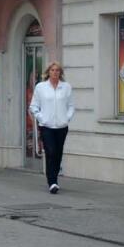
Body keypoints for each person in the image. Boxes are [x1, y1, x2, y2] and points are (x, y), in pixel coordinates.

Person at [30, 61, 74, 194]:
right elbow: (33, 106)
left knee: (58, 153)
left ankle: (54, 178)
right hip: (47, 126)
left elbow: (71, 106)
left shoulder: (66, 87)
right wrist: (41, 118)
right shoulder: (41, 87)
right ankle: (52, 181)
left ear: (60, 73)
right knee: (51, 151)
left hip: (61, 126)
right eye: (52, 70)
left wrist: (67, 118)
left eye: (57, 70)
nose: (55, 73)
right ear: (48, 72)